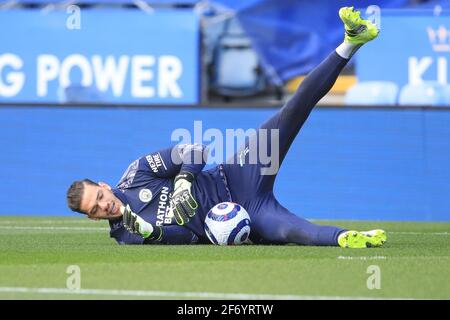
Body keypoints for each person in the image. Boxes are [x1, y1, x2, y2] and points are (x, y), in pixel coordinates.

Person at [66, 7, 387, 248]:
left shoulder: (137, 174)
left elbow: (194, 150)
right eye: (95, 209)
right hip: (247, 211)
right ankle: (349, 237)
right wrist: (153, 232)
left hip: (236, 174)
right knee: (289, 231)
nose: (103, 205)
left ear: (105, 185)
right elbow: (187, 238)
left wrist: (183, 183)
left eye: (99, 196)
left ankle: (350, 41)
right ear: (93, 218)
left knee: (292, 112)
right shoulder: (127, 236)